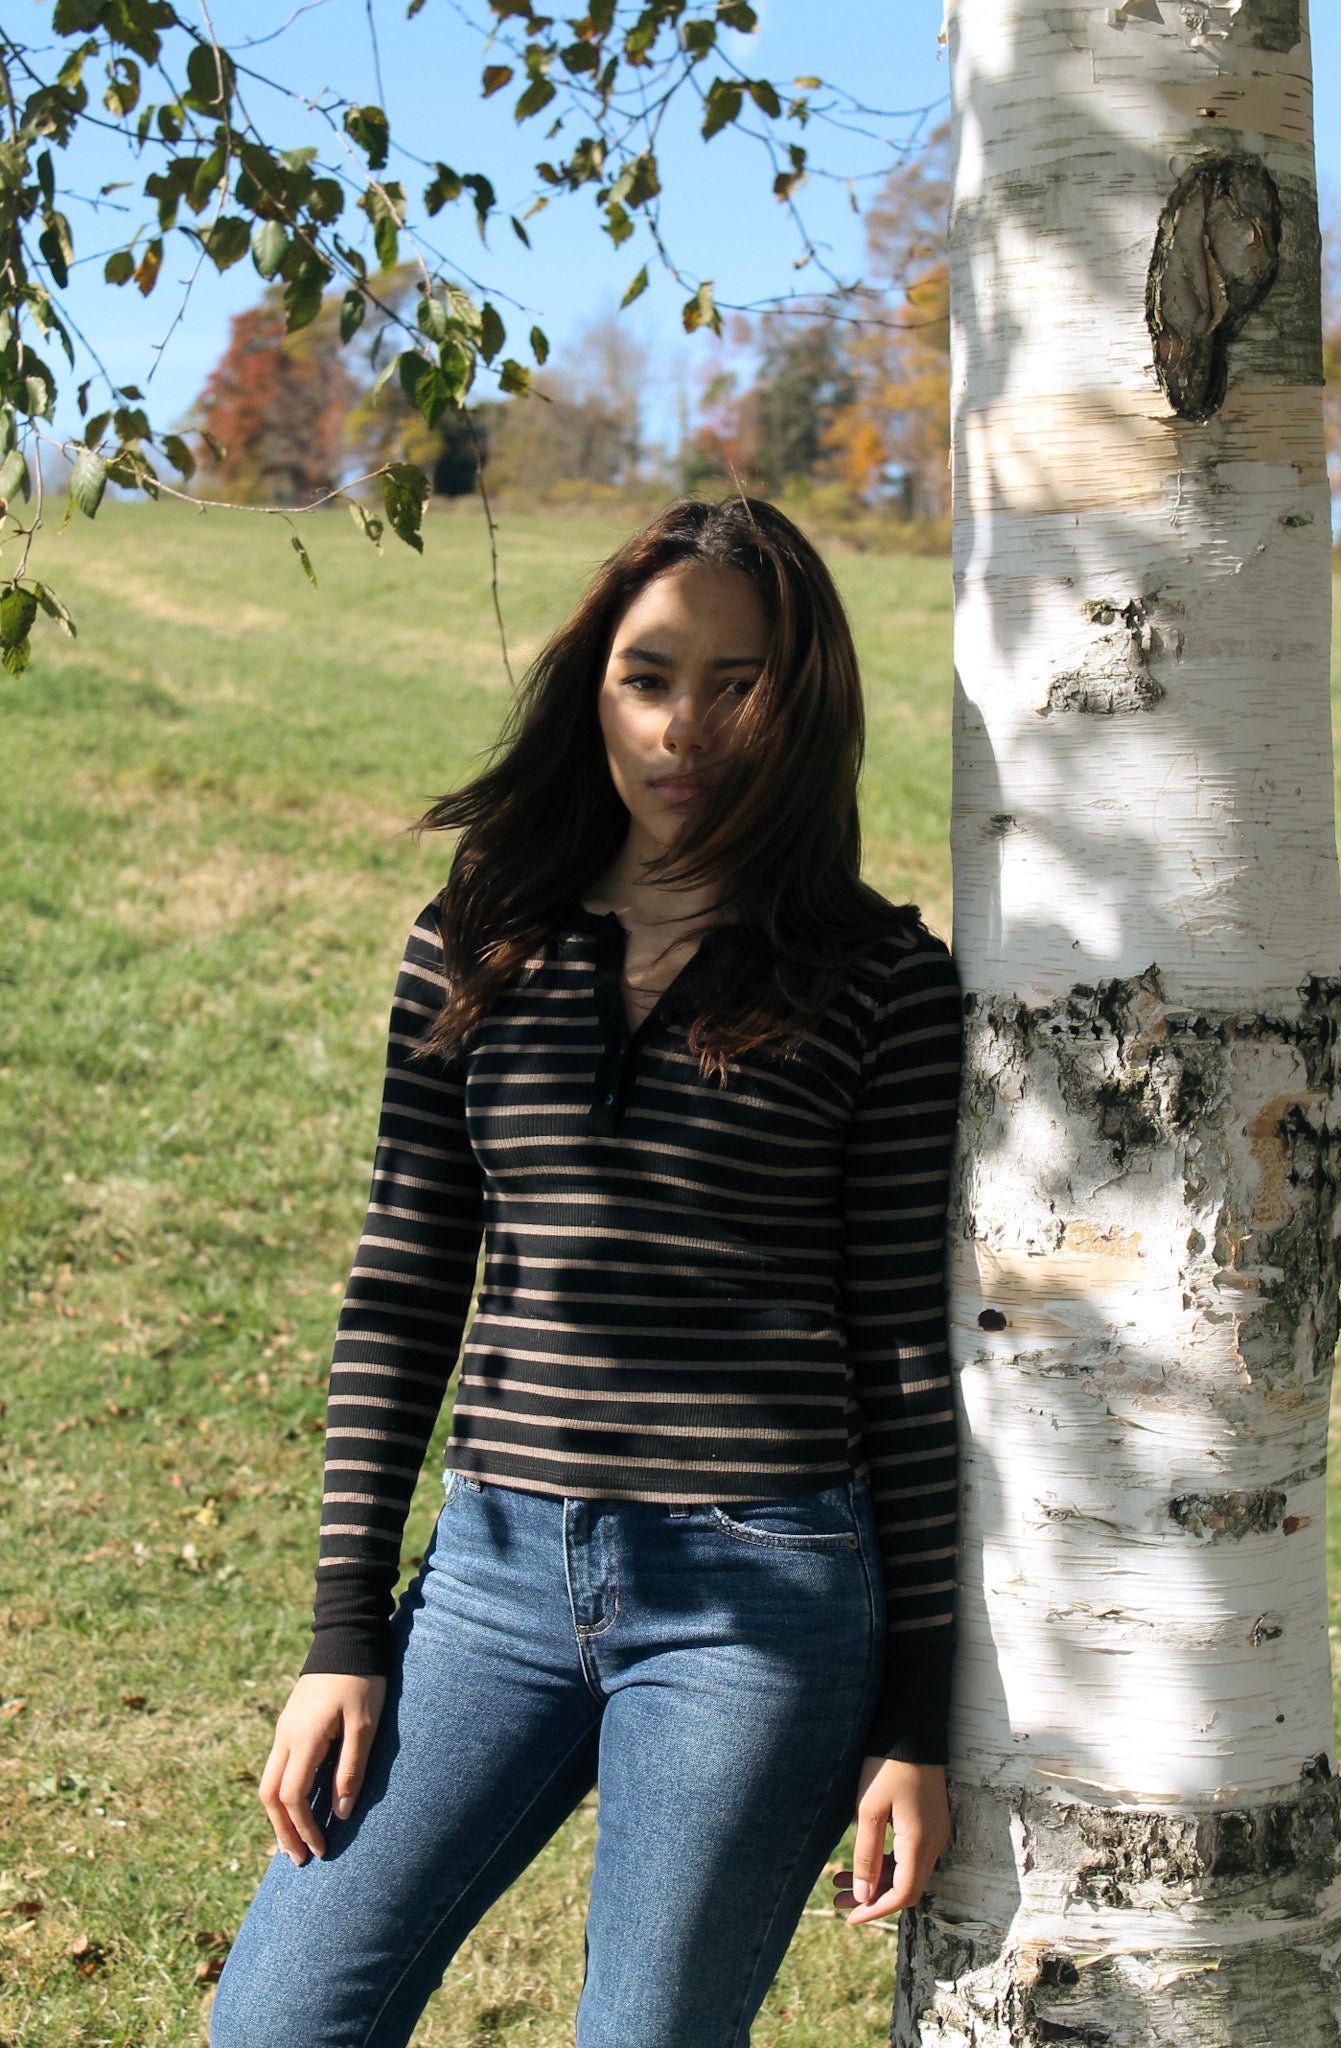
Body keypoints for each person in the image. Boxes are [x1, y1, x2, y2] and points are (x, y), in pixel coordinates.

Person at [209, 493, 963, 2048]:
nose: (684, 726)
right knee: (277, 2024)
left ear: (802, 700)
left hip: (757, 1602)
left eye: (737, 682)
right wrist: (345, 1632)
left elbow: (902, 1346)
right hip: (491, 1579)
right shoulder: (480, 938)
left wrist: (916, 1720)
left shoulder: (879, 977)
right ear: (593, 689)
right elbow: (401, 1286)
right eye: (648, 674)